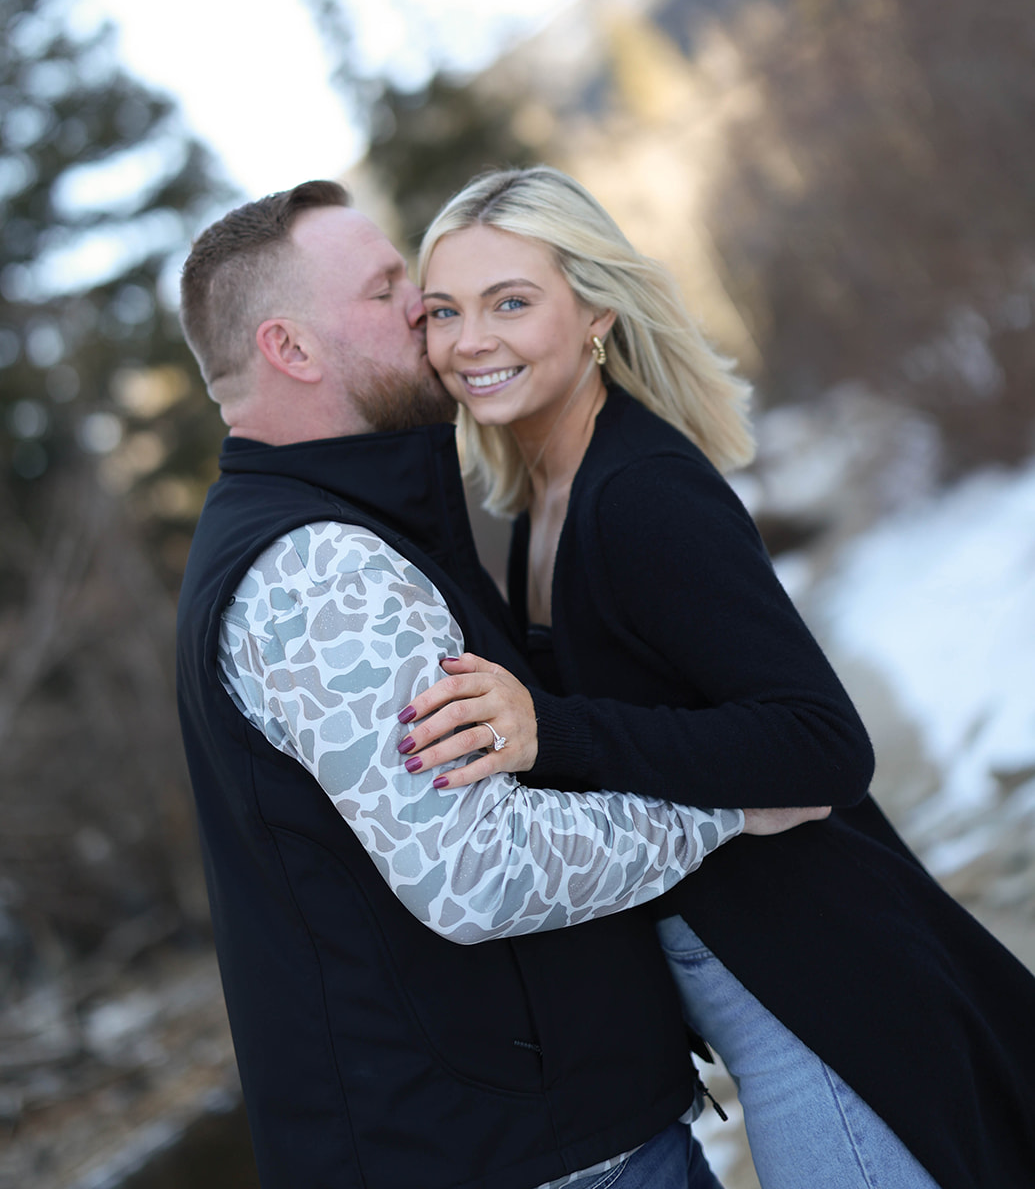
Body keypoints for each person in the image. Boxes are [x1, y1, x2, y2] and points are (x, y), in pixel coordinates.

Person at [175, 179, 821, 1189]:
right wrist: (729, 807)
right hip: (519, 1160)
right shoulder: (318, 571)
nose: (425, 306)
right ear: (290, 349)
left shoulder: (345, 528)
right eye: (388, 288)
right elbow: (476, 870)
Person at [406, 164, 1035, 1189]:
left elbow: (821, 743)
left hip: (818, 1006)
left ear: (596, 311)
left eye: (509, 302)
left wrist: (549, 728)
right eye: (443, 311)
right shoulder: (540, 500)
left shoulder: (638, 490)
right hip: (765, 1001)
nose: (468, 341)